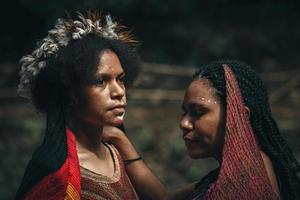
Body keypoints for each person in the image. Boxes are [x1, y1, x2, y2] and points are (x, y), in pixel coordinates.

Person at [15, 10, 165, 199]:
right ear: (70, 92)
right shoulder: (59, 176)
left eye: (121, 79)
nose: (119, 91)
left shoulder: (116, 153)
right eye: (101, 81)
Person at [104, 60, 300, 199]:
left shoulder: (243, 187)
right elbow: (164, 198)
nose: (184, 123)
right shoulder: (242, 172)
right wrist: (119, 139)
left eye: (197, 112)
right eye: (185, 113)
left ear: (240, 116)